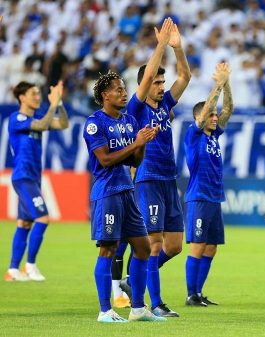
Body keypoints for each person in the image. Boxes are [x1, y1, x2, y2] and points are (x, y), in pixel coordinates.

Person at [83, 20, 173, 324]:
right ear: (105, 95)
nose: (125, 94)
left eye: (124, 89)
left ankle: (137, 308)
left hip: (127, 191)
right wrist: (136, 141)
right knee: (108, 250)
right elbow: (105, 160)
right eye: (119, 90)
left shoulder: (128, 119)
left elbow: (134, 162)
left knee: (144, 248)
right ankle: (105, 310)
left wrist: (142, 142)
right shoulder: (95, 123)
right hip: (107, 191)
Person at [127, 17, 191, 317]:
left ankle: (133, 278)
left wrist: (177, 49)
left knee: (175, 245)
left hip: (169, 179)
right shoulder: (136, 107)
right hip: (148, 179)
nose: (161, 85)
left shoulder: (165, 104)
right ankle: (155, 302)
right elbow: (149, 71)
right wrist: (160, 45)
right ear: (145, 83)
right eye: (156, 81)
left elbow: (186, 76)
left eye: (163, 82)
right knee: (153, 244)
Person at [5, 80, 68, 282]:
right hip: (23, 177)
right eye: (33, 93)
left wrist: (58, 104)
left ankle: (13, 270)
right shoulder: (17, 118)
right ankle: (30, 266)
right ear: (22, 97)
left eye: (38, 93)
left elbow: (63, 124)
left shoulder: (38, 117)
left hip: (33, 178)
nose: (37, 96)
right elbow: (42, 125)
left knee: (24, 223)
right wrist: (52, 105)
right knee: (43, 218)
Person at [184, 63, 233, 307]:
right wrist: (218, 84)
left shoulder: (214, 135)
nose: (215, 118)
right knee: (198, 245)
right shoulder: (193, 135)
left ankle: (199, 292)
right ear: (198, 117)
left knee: (211, 248)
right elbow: (206, 114)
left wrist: (227, 83)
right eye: (210, 115)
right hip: (199, 197)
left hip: (214, 198)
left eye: (214, 115)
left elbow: (229, 109)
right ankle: (190, 294)